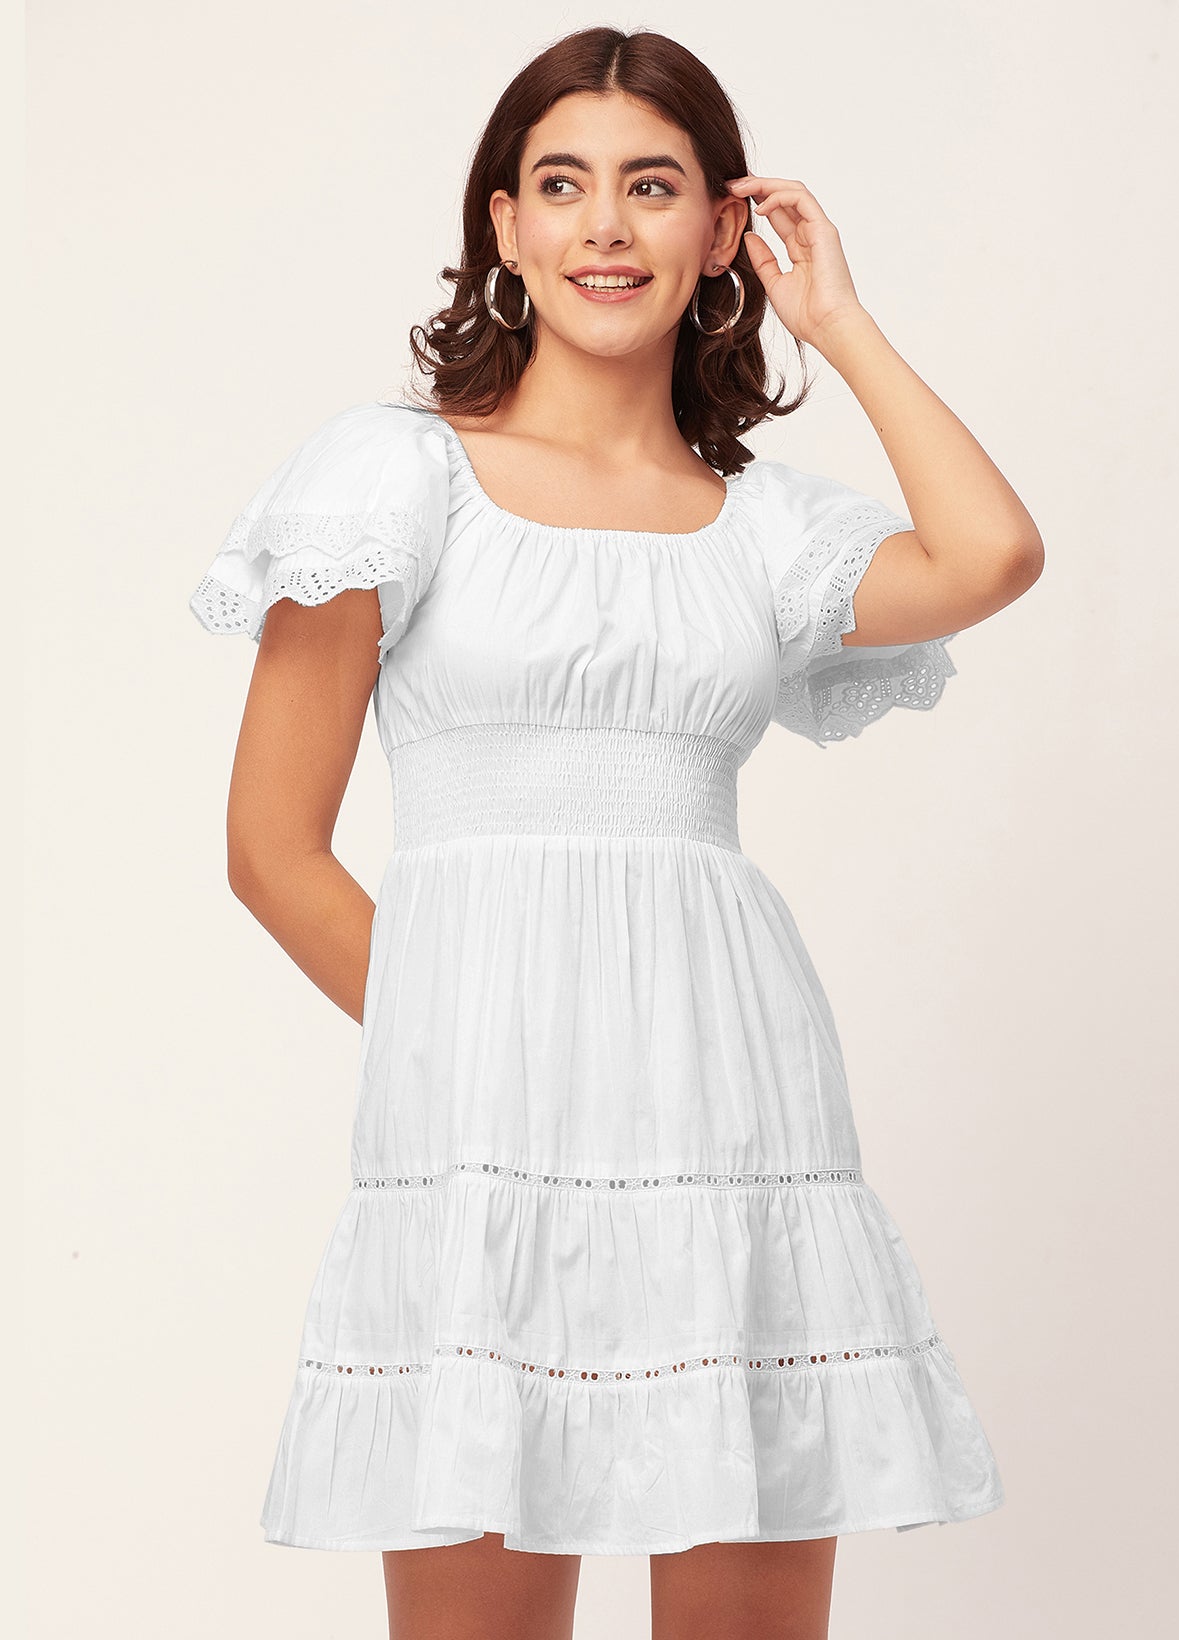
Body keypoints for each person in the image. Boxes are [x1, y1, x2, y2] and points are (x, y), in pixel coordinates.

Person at [188, 25, 1042, 1640]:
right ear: (504, 225)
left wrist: (840, 322)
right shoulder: (393, 477)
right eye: (563, 184)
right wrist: (465, 1046)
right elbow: (270, 849)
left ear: (721, 231)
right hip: (484, 1148)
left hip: (732, 1126)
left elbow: (991, 555)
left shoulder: (765, 528)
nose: (604, 226)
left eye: (652, 188)